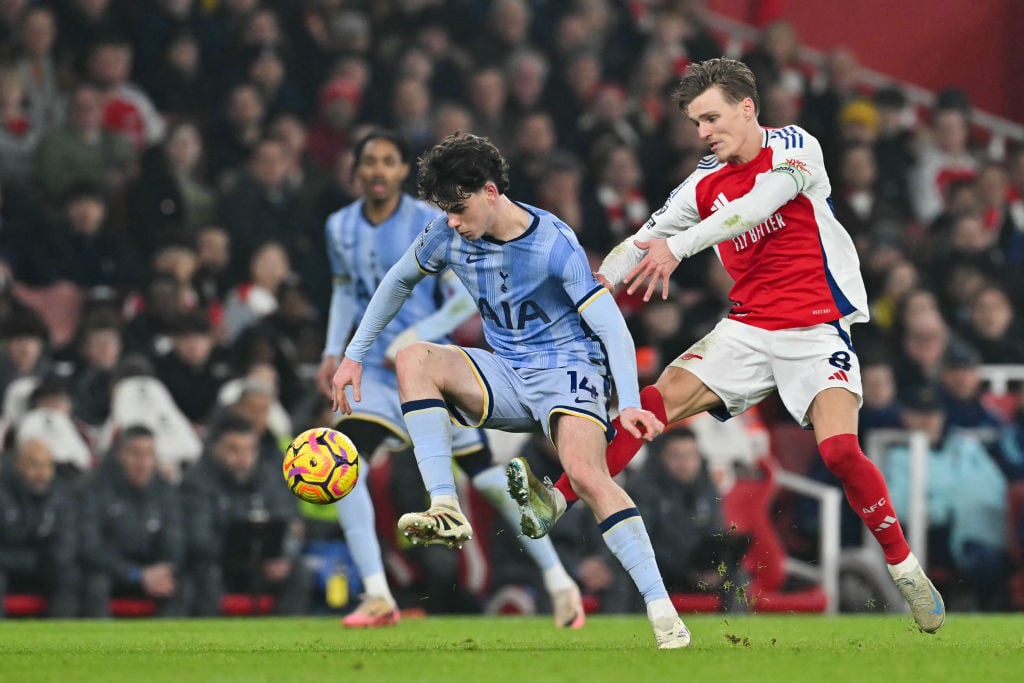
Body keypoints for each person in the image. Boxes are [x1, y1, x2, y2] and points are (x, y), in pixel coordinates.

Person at [507, 58, 945, 634]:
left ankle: (904, 566)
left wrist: (678, 248)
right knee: (652, 402)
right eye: (694, 122)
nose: (703, 132)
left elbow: (755, 207)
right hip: (745, 330)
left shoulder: (796, 147)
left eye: (710, 117)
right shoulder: (700, 183)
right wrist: (590, 291)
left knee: (839, 452)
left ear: (747, 109)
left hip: (815, 329)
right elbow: (639, 243)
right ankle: (557, 500)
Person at [330, 133, 689, 649]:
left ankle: (662, 612)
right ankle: (445, 507)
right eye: (444, 210)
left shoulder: (553, 242)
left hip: (570, 373)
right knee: (415, 358)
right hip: (505, 374)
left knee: (586, 474)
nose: (452, 220)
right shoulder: (447, 235)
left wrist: (628, 401)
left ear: (492, 192)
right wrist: (354, 355)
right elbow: (397, 281)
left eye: (458, 207)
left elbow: (612, 327)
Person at [316, 130, 586, 630]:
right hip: (375, 375)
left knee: (486, 479)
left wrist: (422, 333)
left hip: (430, 370)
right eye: (368, 162)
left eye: (388, 161)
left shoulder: (435, 220)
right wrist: (336, 353)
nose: (378, 170)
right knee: (338, 456)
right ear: (356, 172)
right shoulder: (339, 227)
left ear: (402, 171)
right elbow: (343, 293)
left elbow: (464, 298)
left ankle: (559, 580)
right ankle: (377, 593)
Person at [78, 425, 187, 617]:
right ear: (120, 455)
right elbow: (90, 547)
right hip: (111, 572)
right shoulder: (93, 488)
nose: (143, 463)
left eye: (149, 455)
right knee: (94, 584)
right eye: (135, 454)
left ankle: (165, 645)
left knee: (184, 586)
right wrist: (135, 574)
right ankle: (102, 645)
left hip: (152, 572)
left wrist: (166, 567)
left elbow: (175, 537)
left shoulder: (164, 490)